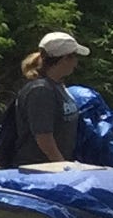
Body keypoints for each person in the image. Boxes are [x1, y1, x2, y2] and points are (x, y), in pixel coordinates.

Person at [5, 31, 89, 164]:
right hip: (40, 169)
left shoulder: (57, 85)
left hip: (53, 167)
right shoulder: (41, 90)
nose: (76, 63)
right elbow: (43, 136)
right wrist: (61, 166)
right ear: (64, 59)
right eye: (74, 57)